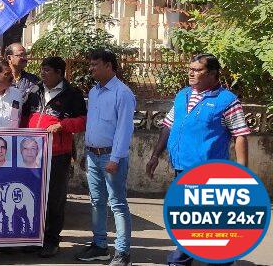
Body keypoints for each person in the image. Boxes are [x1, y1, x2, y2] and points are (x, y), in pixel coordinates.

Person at [146, 53, 250, 266]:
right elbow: (168, 125)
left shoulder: (227, 100)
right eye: (190, 69)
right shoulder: (183, 95)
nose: (191, 73)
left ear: (212, 74)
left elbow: (240, 134)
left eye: (197, 70)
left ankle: (184, 260)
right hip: (182, 168)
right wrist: (155, 154)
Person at [22, 56, 86, 258]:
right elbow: (24, 118)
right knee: (33, 196)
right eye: (42, 69)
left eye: (47, 70)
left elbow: (84, 121)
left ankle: (51, 240)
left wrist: (62, 126)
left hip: (58, 154)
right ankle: (35, 238)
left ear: (60, 73)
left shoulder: (72, 94)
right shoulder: (34, 91)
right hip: (31, 153)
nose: (43, 73)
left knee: (54, 198)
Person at [75, 49, 134, 266]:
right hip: (92, 154)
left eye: (95, 65)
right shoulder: (94, 91)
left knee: (117, 203)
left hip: (111, 156)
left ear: (109, 65)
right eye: (90, 64)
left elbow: (124, 129)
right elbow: (92, 125)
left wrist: (115, 158)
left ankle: (122, 252)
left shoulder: (122, 93)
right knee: (97, 201)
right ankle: (100, 246)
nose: (91, 68)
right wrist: (85, 152)